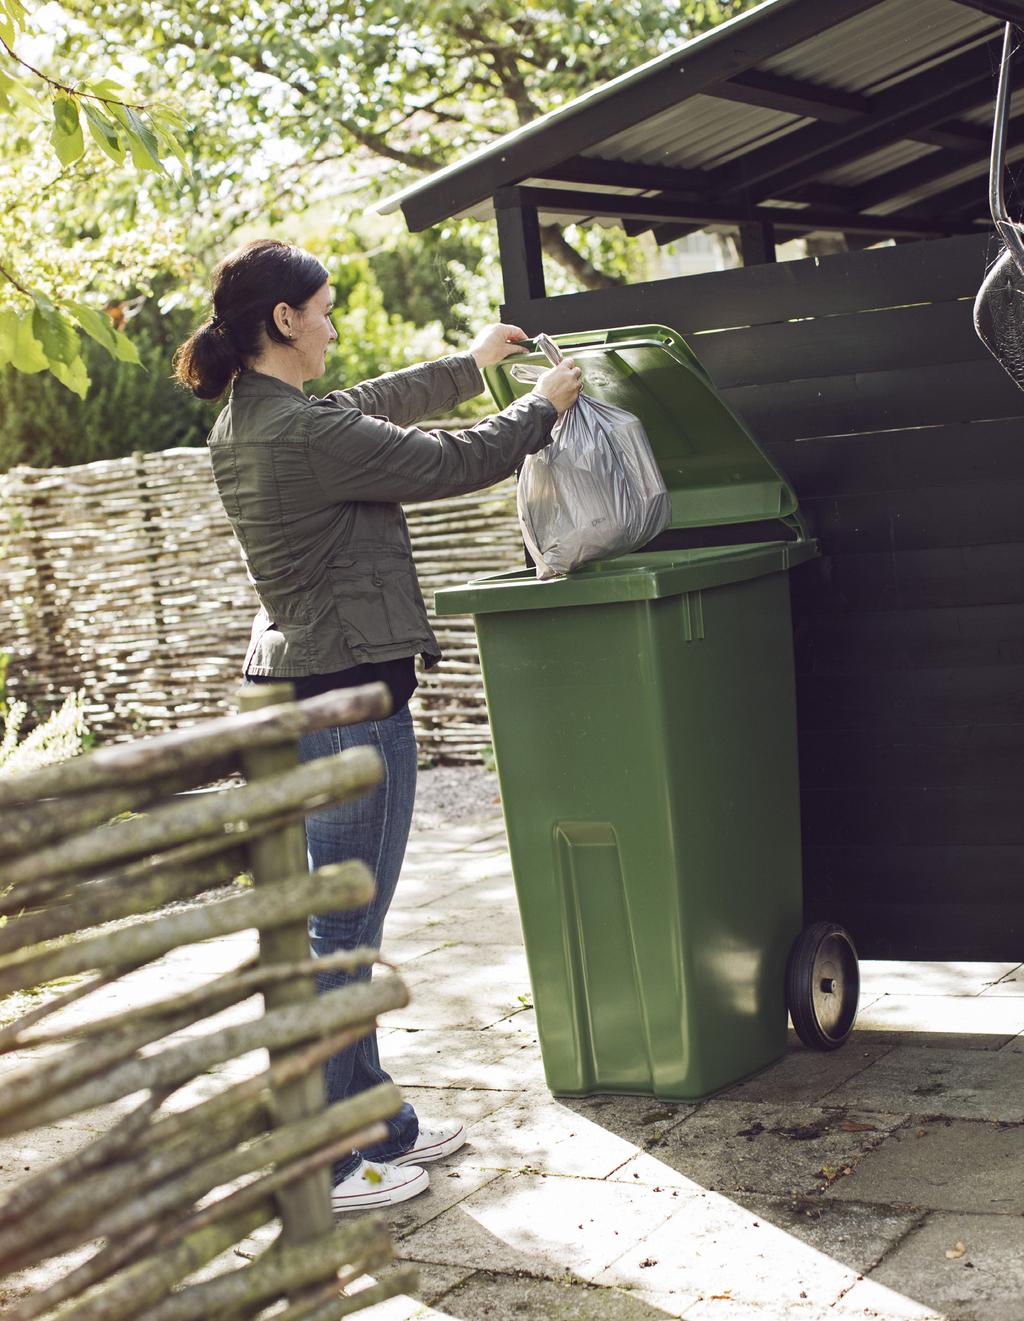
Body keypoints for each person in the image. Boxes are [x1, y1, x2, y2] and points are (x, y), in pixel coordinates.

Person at [174, 238, 582, 1212]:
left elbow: (376, 404)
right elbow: (454, 459)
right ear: (282, 320)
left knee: (344, 929)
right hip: (344, 700)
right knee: (343, 936)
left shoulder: (268, 414)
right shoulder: (297, 434)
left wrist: (475, 362)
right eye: (320, 309)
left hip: (311, 689)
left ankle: (378, 1124)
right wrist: (543, 405)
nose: (330, 323)